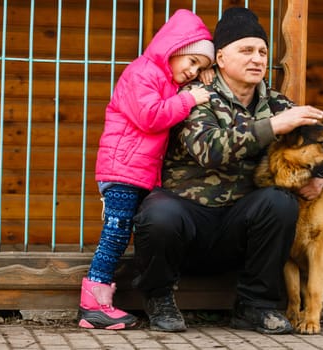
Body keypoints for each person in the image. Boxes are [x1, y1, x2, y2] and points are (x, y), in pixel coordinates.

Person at [132, 7, 323, 334]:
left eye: (263, 52)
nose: (257, 59)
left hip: (240, 227)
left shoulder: (278, 104)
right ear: (220, 58)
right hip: (189, 221)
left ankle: (255, 305)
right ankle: (159, 298)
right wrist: (273, 127)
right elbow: (209, 150)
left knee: (279, 202)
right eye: (246, 50)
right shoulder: (197, 96)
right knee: (158, 213)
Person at [78, 9, 215, 330]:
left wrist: (201, 79)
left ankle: (100, 302)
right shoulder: (141, 73)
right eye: (192, 62)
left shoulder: (165, 79)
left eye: (201, 68)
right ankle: (92, 305)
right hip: (122, 171)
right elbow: (151, 116)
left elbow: (174, 95)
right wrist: (191, 99)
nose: (193, 72)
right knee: (115, 235)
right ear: (174, 50)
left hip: (135, 172)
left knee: (125, 233)